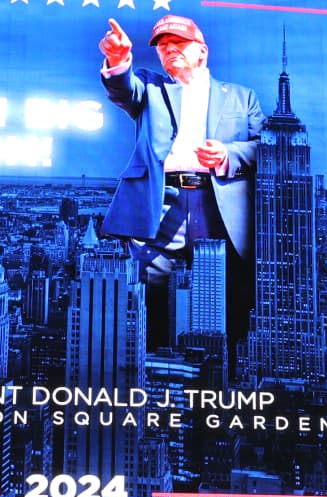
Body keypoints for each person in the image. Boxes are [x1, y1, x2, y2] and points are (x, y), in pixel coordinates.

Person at [97, 14, 264, 338]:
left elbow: (266, 148)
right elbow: (122, 89)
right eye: (163, 46)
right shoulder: (150, 87)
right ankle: (155, 365)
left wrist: (229, 154)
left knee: (225, 289)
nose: (169, 50)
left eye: (179, 43)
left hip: (219, 203)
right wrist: (117, 61)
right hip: (161, 200)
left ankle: (222, 371)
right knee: (152, 287)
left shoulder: (242, 98)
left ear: (202, 51)